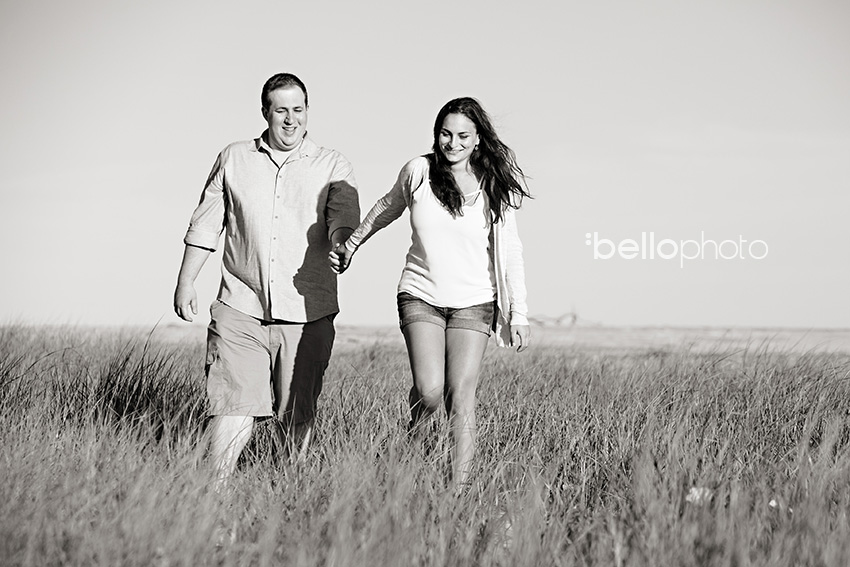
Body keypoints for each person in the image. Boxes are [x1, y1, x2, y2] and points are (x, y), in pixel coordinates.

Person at [329, 97, 531, 489]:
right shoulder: (418, 172)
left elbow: (511, 251)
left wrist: (518, 312)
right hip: (420, 295)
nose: (453, 143)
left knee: (462, 394)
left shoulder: (493, 184)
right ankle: (415, 444)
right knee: (431, 391)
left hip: (475, 301)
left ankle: (458, 493)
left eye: (463, 136)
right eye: (445, 134)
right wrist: (351, 245)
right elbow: (385, 208)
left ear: (478, 139)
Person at [174, 73, 360, 483]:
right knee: (233, 404)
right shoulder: (234, 158)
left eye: (298, 110)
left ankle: (289, 493)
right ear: (265, 112)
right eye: (281, 110)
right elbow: (206, 225)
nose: (291, 120)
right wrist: (186, 281)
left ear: (308, 111)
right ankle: (216, 496)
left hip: (307, 310)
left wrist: (342, 244)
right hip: (240, 304)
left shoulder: (333, 164)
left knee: (297, 413)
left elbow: (343, 220)